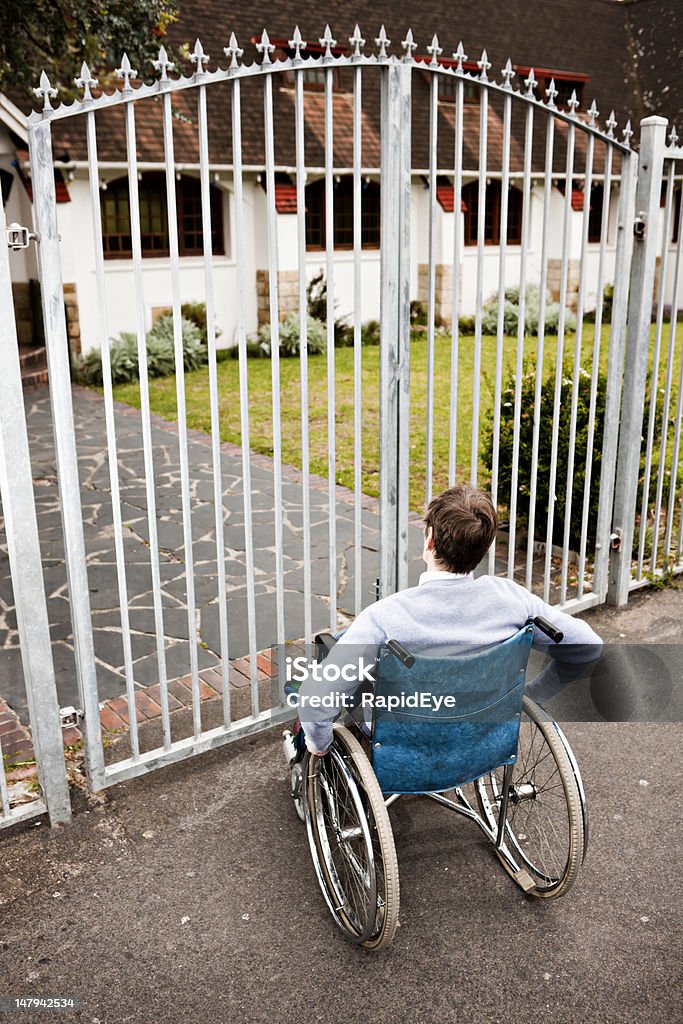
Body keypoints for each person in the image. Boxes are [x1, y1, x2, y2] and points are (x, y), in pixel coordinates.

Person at [297, 483, 603, 756]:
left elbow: (316, 700)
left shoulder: (385, 617)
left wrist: (319, 745)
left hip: (405, 735)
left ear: (429, 540)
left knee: (347, 664)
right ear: (483, 548)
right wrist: (531, 695)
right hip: (483, 725)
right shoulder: (513, 600)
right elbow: (588, 647)